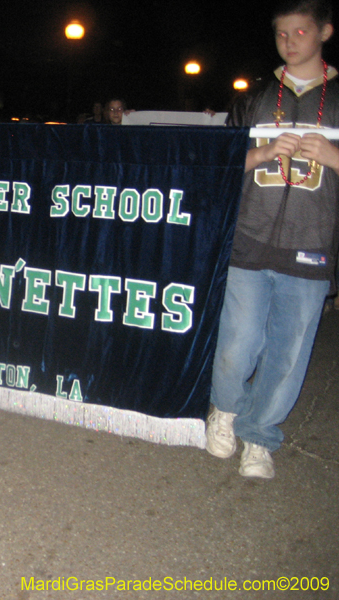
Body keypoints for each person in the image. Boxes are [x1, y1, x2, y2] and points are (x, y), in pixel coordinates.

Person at [206, 0, 339, 479]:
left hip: (312, 244)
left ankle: (260, 437)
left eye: (301, 31)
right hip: (250, 237)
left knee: (289, 351)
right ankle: (225, 410)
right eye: (282, 33)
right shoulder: (256, 98)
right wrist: (260, 153)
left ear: (324, 32)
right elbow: (220, 166)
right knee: (237, 341)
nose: (290, 41)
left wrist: (333, 154)